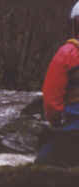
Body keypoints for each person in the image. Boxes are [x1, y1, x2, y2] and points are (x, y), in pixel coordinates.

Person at [35, 1, 79, 166]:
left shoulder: (66, 54)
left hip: (72, 129)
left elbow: (52, 101)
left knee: (41, 165)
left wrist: (55, 121)